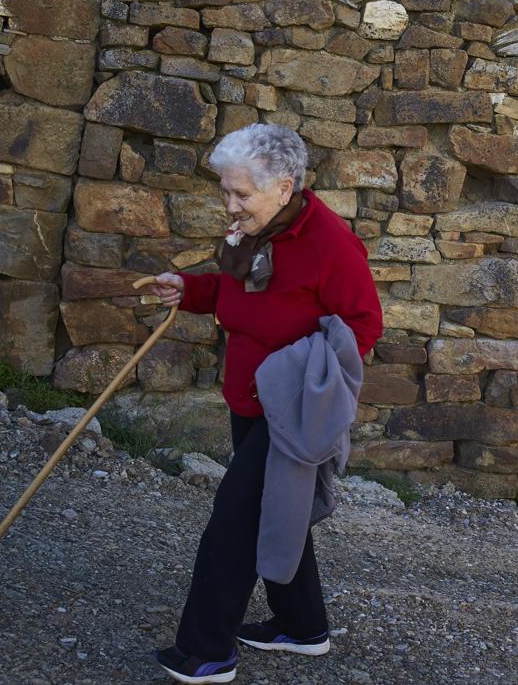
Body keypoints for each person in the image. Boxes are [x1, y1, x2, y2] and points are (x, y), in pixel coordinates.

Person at [148, 123, 382, 684]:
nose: (230, 205)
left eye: (240, 194)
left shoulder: (330, 243)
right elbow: (241, 296)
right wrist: (190, 289)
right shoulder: (257, 228)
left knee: (234, 522)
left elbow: (364, 325)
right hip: (248, 400)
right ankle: (303, 627)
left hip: (291, 406)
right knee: (280, 511)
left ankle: (206, 652)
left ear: (283, 186)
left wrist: (305, 377)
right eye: (226, 191)